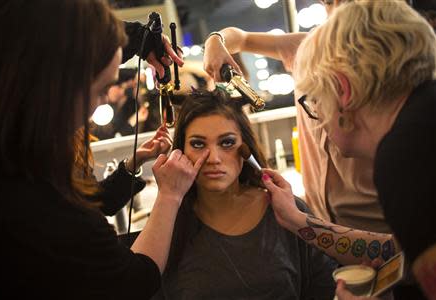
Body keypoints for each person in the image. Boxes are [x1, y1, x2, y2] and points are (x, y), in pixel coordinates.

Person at [0, 0, 208, 298]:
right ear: (56, 88)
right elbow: (133, 281)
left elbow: (92, 202)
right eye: (101, 89)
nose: (103, 102)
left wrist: (140, 38)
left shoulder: (12, 144)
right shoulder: (32, 204)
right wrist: (169, 196)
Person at [261, 1, 436, 299]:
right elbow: (402, 249)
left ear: (343, 90)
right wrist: (297, 220)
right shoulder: (422, 120)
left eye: (315, 98)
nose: (318, 115)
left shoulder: (402, 154)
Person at [203, 0, 391, 237]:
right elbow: (239, 38)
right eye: (331, 3)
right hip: (316, 222)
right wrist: (214, 41)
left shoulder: (382, 62)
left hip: (376, 222)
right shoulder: (304, 47)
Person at [152, 88, 338, 299]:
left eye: (227, 143)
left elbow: (324, 288)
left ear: (245, 147)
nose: (214, 158)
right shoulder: (167, 224)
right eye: (198, 144)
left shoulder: (287, 211)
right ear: (181, 152)